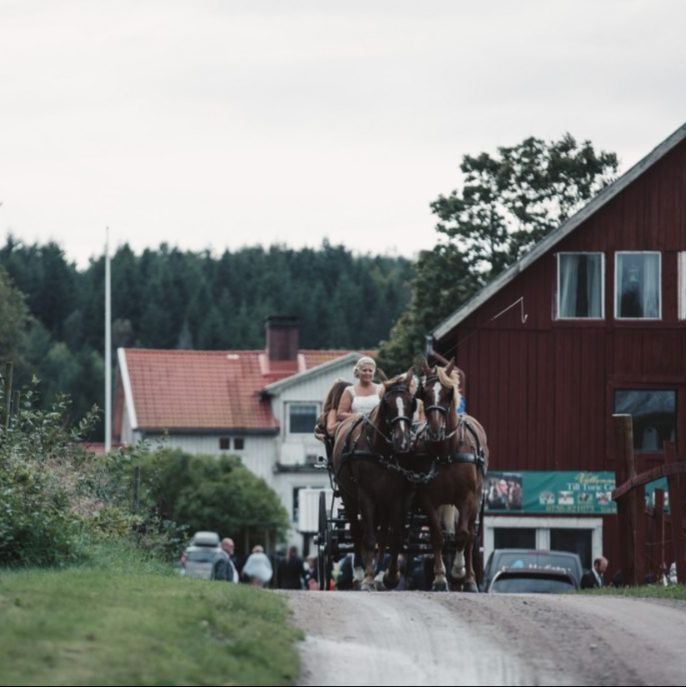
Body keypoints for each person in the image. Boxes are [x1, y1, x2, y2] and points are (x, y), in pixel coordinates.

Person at [337, 356, 382, 422]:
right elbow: (340, 414)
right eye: (364, 370)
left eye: (370, 371)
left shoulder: (381, 389)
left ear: (374, 372)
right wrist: (358, 416)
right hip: (357, 427)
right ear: (358, 371)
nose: (367, 373)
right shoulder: (349, 391)